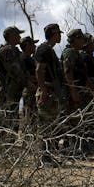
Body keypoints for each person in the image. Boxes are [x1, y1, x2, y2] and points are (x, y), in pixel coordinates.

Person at [35, 23, 65, 165]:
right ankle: (44, 158)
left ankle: (48, 157)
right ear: (54, 34)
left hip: (52, 91)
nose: (60, 36)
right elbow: (39, 70)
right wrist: (44, 91)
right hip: (47, 92)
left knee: (52, 126)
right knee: (46, 127)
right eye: (59, 34)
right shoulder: (44, 49)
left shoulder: (49, 50)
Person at [0, 26, 27, 146]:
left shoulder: (12, 50)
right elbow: (15, 71)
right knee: (7, 120)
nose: (20, 37)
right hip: (8, 93)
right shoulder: (7, 50)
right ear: (11, 36)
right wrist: (28, 82)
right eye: (17, 35)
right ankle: (4, 148)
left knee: (11, 120)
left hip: (12, 92)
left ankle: (8, 148)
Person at [20, 36, 39, 134]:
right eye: (32, 44)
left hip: (34, 89)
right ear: (27, 45)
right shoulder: (23, 58)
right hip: (30, 90)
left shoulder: (31, 58)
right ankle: (28, 142)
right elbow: (26, 75)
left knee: (34, 118)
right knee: (29, 117)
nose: (35, 46)